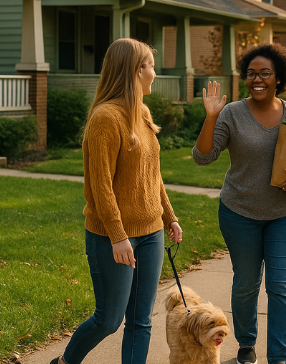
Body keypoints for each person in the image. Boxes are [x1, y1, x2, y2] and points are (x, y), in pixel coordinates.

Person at [193, 43, 286, 364]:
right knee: (245, 286)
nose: (257, 79)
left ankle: (278, 357)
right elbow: (202, 157)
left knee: (280, 286)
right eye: (251, 74)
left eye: (265, 73)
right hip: (240, 212)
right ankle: (246, 344)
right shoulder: (232, 114)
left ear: (278, 77)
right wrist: (211, 117)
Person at [52, 38, 183, 364]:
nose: (155, 72)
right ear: (135, 71)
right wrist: (118, 235)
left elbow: (151, 174)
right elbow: (101, 187)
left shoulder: (142, 111)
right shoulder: (105, 119)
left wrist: (169, 216)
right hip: (112, 238)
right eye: (150, 66)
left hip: (151, 233)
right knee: (109, 319)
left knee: (140, 320)